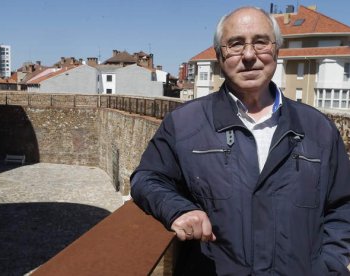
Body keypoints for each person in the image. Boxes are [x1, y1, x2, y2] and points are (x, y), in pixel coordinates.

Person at [131, 6, 350, 276]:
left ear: (277, 51)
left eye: (260, 42)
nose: (249, 55)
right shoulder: (184, 123)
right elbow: (147, 179)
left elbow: (342, 205)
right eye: (235, 44)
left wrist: (331, 265)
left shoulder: (318, 128)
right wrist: (178, 210)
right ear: (220, 55)